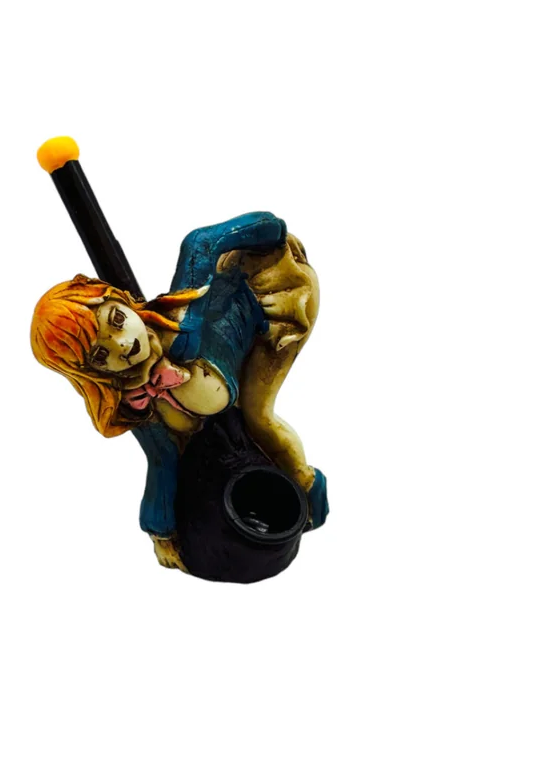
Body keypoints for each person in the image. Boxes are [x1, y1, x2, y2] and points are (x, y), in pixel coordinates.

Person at [31, 212, 328, 570]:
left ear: (122, 300)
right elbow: (162, 462)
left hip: (261, 311)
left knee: (259, 418)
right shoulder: (139, 406)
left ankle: (313, 494)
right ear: (91, 374)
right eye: (100, 355)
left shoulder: (184, 326)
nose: (123, 344)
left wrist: (275, 232)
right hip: (218, 434)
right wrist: (161, 532)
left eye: (117, 320)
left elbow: (200, 243)